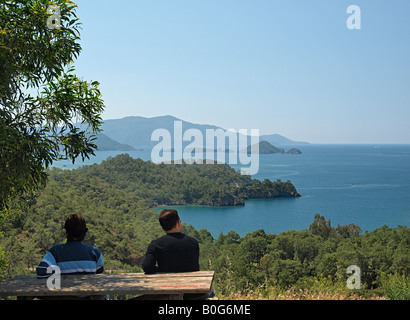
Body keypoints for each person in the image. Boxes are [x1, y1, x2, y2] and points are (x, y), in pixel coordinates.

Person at [142, 209, 214, 300]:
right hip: (194, 295)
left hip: (168, 294)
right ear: (179, 223)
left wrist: (161, 269)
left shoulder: (155, 245)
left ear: (162, 228)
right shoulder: (193, 242)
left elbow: (147, 267)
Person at [36, 214, 104, 278]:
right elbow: (99, 273)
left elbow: (42, 270)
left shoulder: (55, 251)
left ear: (66, 231)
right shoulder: (94, 253)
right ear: (84, 232)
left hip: (64, 289)